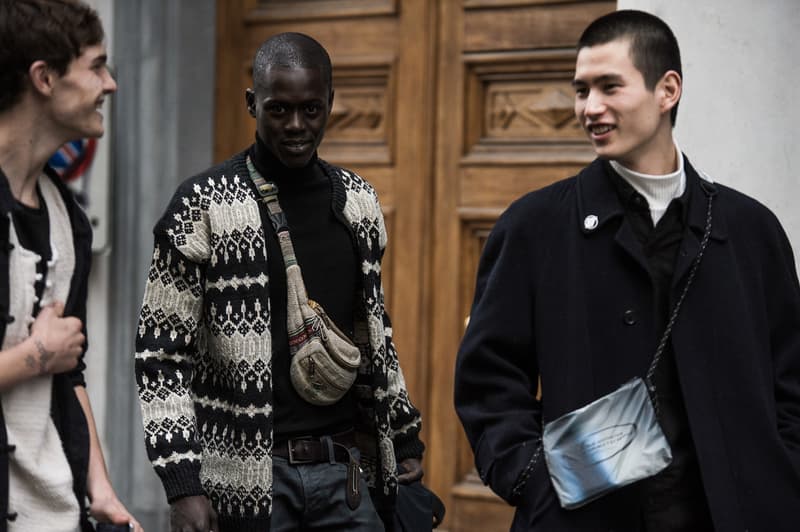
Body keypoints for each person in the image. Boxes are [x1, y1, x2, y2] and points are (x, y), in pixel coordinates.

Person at [454, 9, 800, 532]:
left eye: (609, 87)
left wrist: (781, 477)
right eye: (581, 90)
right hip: (584, 519)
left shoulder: (751, 230)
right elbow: (489, 382)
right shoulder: (534, 226)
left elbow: (791, 379)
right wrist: (535, 482)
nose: (590, 108)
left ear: (667, 91)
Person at [135, 32, 425, 531]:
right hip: (245, 482)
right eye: (279, 109)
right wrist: (183, 484)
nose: (296, 126)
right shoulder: (201, 207)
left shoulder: (358, 203)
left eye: (312, 110)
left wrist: (402, 438)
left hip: (345, 477)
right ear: (252, 103)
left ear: (331, 102)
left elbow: (376, 334)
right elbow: (160, 357)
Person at [0, 0, 142, 531]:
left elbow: (70, 371)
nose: (110, 85)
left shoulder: (67, 218)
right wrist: (36, 354)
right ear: (44, 77)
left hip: (53, 513)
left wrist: (100, 489)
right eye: (96, 65)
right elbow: (54, 355)